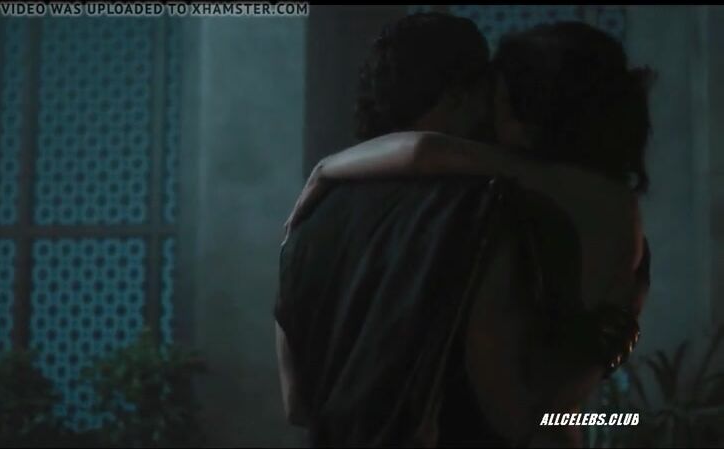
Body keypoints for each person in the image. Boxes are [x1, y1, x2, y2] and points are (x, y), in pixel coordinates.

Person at [277, 17, 651, 448]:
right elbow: (536, 409)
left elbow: (297, 405)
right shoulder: (589, 208)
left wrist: (327, 168)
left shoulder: (315, 221)